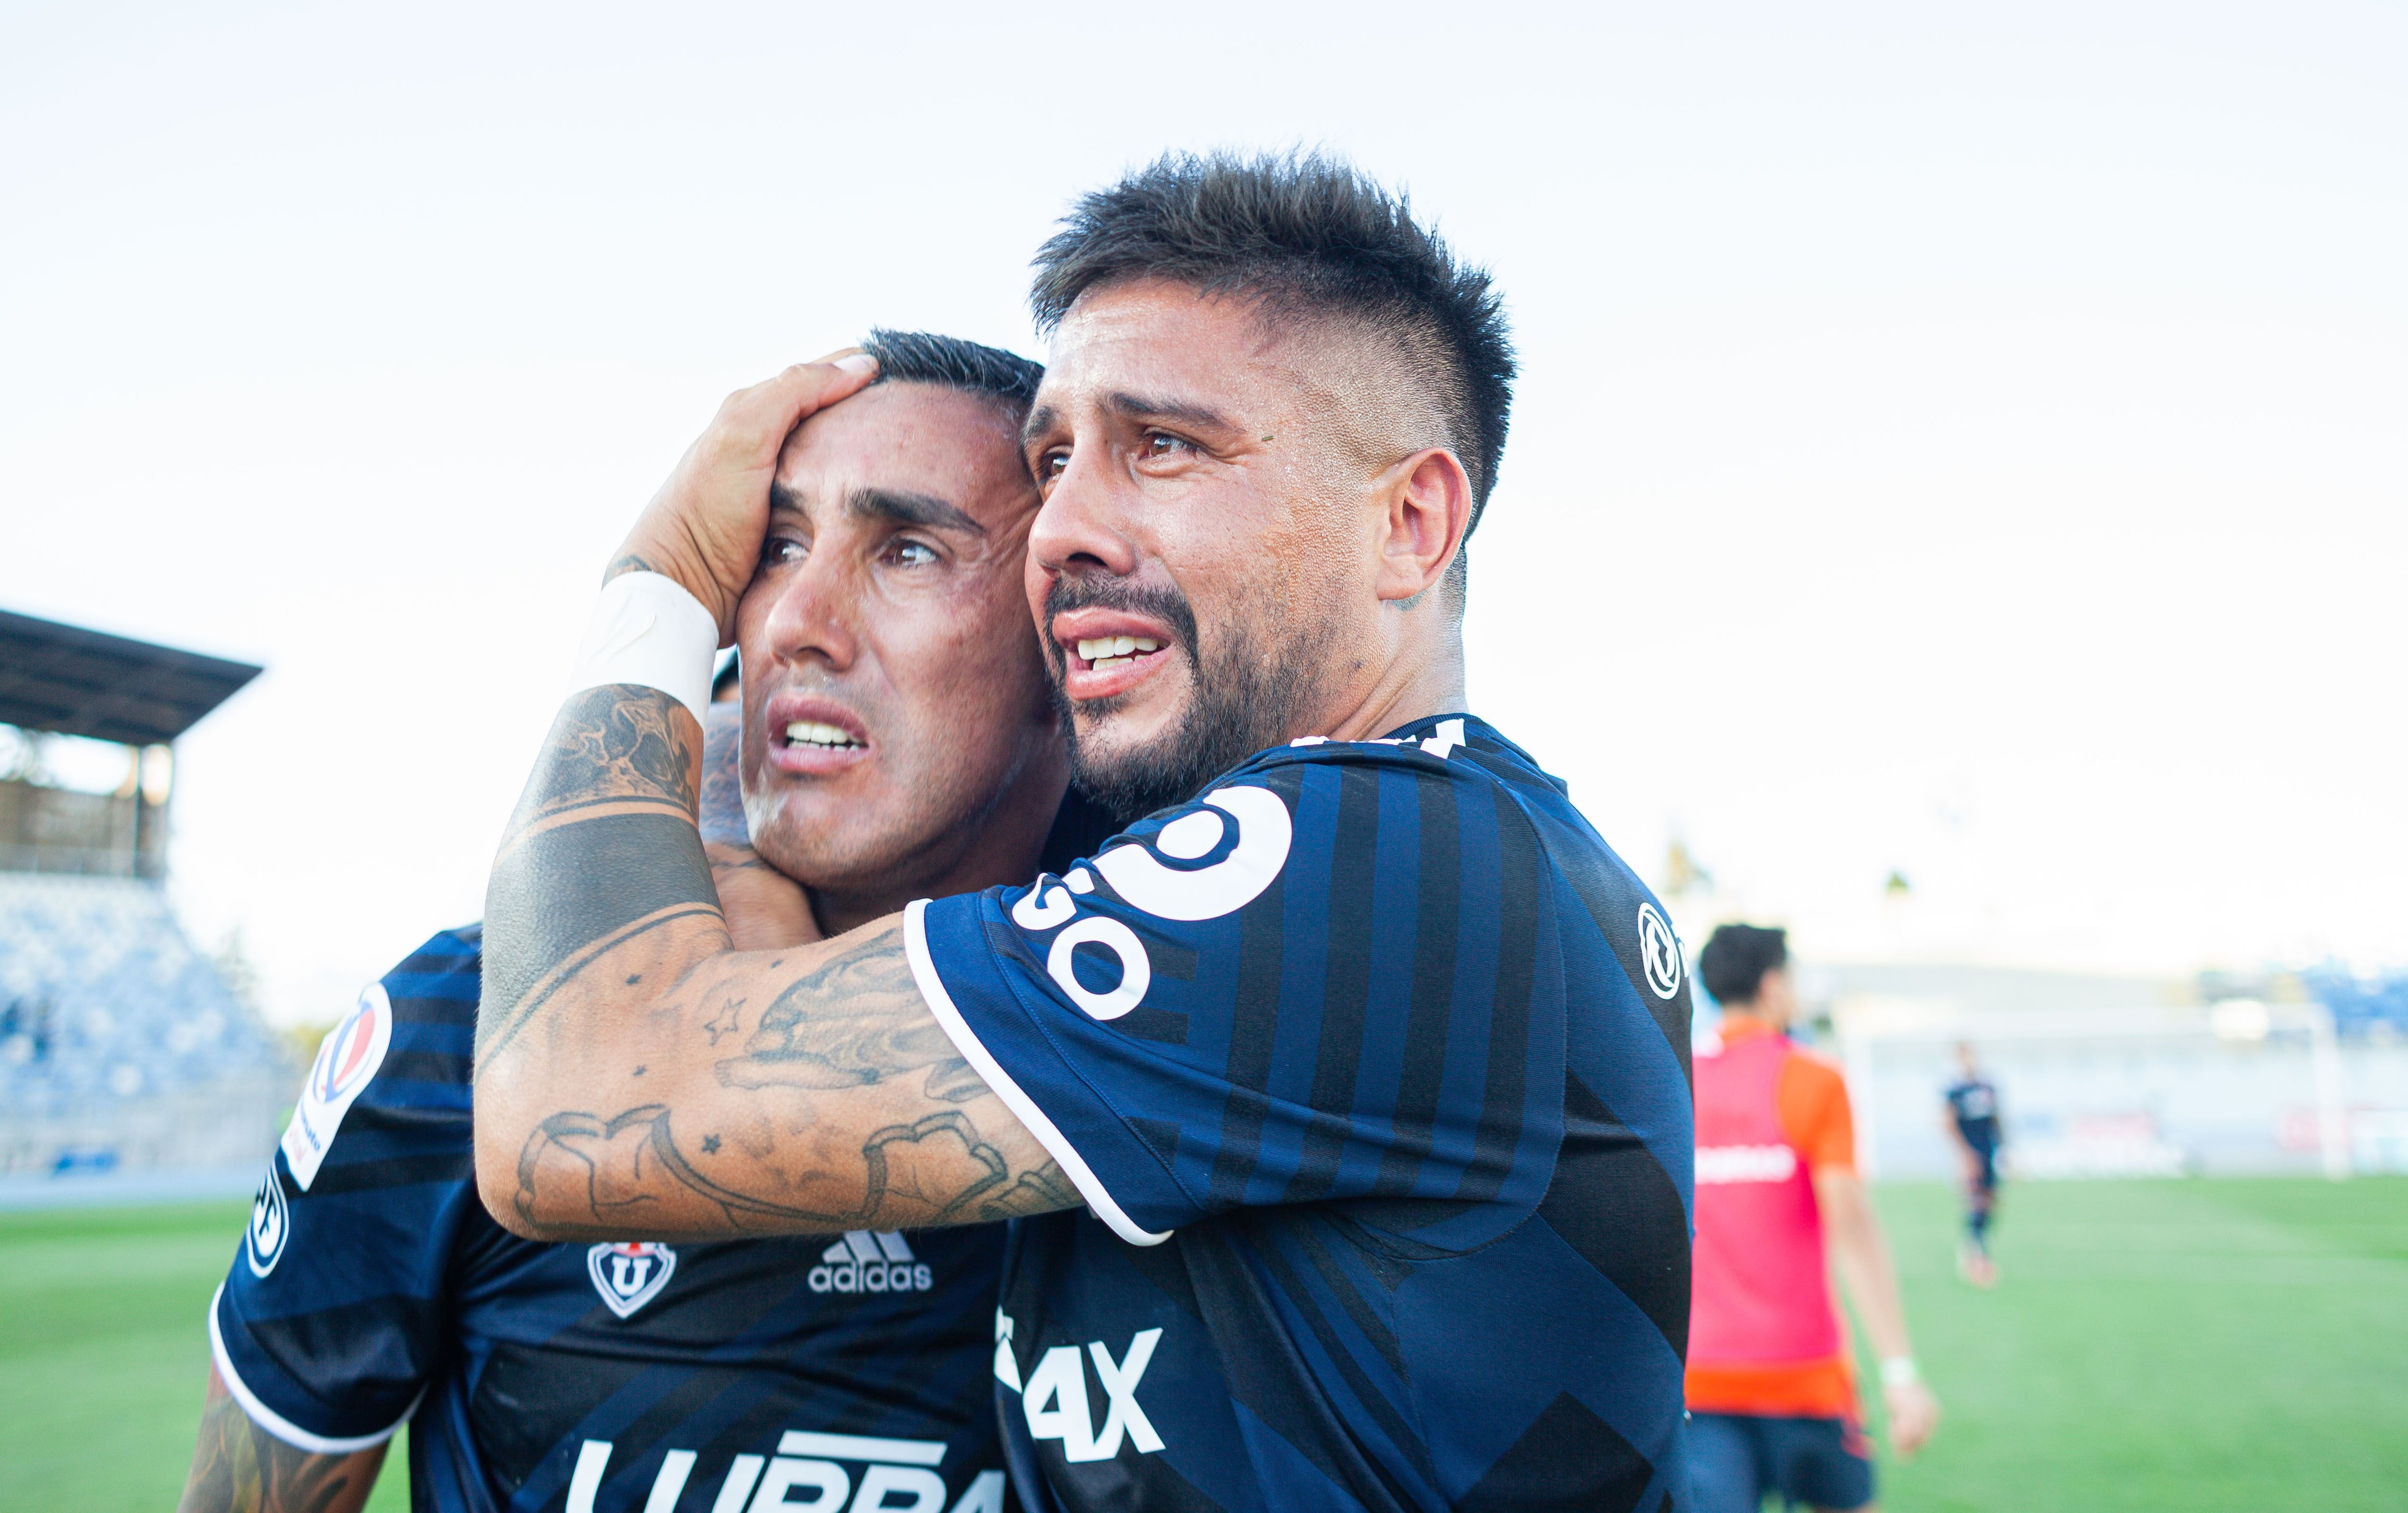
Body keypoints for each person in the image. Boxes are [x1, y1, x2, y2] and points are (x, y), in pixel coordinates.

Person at [472, 152, 1698, 1512]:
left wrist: (656, 585)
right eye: (1055, 459)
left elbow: (570, 1105)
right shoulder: (1411, 865)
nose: (1061, 526)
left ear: (1409, 523)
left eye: (1163, 446)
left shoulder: (1385, 864)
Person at [179, 330, 1101, 1513]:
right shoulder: (452, 1032)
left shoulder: (1166, 1021)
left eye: (908, 550)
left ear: (1065, 641)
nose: (792, 624)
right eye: (774, 548)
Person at [1685, 924, 1940, 1513]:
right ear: (1773, 985)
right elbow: (1851, 1227)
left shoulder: (1677, 1083)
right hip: (1802, 1376)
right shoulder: (1813, 1079)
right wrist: (1899, 1372)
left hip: (1698, 1380)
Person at [1941, 1041, 2003, 1286]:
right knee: (1974, 1198)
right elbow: (1947, 1122)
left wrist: (2004, 1149)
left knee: (1991, 1199)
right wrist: (1964, 1154)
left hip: (1989, 1150)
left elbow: (1996, 1118)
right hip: (1971, 1152)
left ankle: (1979, 1243)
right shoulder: (1954, 1090)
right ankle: (1973, 1252)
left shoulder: (1987, 1086)